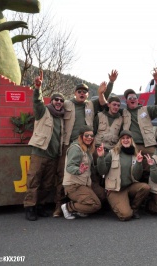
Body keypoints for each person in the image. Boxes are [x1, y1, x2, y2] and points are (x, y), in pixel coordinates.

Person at [54, 70, 118, 217]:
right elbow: (53, 107)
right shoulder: (67, 104)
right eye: (79, 91)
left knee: (93, 171)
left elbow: (104, 97)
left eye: (84, 92)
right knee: (62, 175)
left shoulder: (90, 104)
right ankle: (59, 206)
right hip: (69, 144)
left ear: (87, 94)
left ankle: (87, 202)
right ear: (75, 93)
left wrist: (111, 83)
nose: (82, 93)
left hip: (88, 144)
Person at [23, 71, 65, 221]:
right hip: (39, 153)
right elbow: (37, 101)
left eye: (61, 100)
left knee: (47, 185)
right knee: (34, 181)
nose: (59, 102)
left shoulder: (62, 118)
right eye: (56, 99)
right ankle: (30, 207)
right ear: (52, 101)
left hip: (54, 156)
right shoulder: (43, 111)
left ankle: (40, 206)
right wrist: (37, 88)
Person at [97, 130, 150, 220]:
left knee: (145, 187)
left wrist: (138, 163)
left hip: (129, 186)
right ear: (120, 141)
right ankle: (116, 204)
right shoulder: (112, 153)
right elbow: (102, 171)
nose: (126, 140)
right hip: (115, 189)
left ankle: (134, 208)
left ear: (131, 140)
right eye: (123, 138)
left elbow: (137, 177)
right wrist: (101, 157)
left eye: (128, 138)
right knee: (125, 216)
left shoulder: (135, 154)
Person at [121, 80, 157, 176]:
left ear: (137, 100)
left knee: (154, 164)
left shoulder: (146, 109)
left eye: (134, 97)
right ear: (126, 101)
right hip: (132, 146)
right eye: (130, 98)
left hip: (149, 145)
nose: (132, 99)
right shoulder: (122, 112)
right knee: (133, 168)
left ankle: (152, 186)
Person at [61, 125, 101, 219]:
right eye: (86, 135)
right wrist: (79, 170)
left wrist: (102, 157)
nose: (89, 138)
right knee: (95, 205)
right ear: (81, 136)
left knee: (102, 195)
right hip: (73, 185)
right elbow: (69, 167)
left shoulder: (87, 149)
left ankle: (81, 209)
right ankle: (68, 207)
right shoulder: (76, 148)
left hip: (83, 184)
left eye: (91, 136)